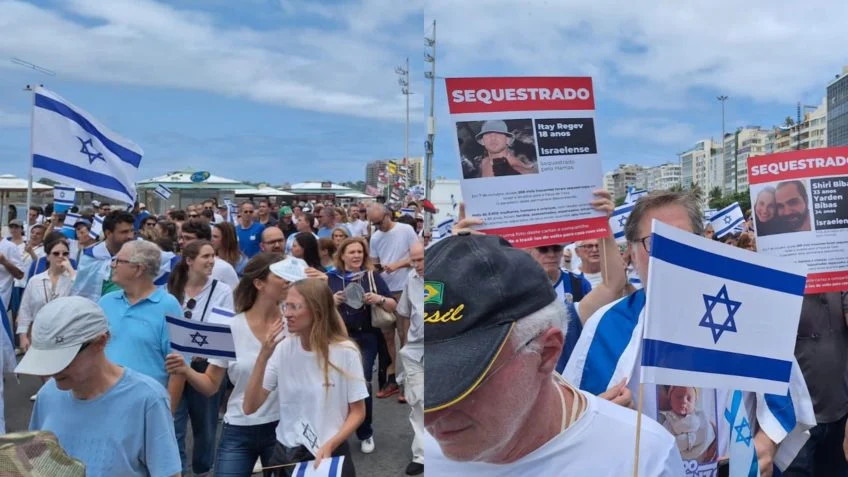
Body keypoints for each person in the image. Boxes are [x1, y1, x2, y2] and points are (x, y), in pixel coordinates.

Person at [562, 191, 816, 477]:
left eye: (682, 240)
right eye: (655, 242)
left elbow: (781, 396)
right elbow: (571, 422)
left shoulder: (748, 308)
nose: (671, 253)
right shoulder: (606, 326)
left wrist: (766, 444)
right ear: (631, 253)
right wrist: (599, 414)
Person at [422, 233, 683, 475]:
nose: (429, 414)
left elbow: (612, 284)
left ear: (546, 353)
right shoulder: (427, 450)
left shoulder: (644, 458)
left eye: (466, 378)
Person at [18, 297, 182, 476]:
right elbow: (35, 464)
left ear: (100, 342)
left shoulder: (148, 400)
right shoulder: (47, 395)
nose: (53, 369)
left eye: (64, 358)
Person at [167, 253, 285, 476]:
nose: (289, 280)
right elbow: (211, 385)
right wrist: (185, 370)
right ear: (259, 283)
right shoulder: (231, 326)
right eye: (282, 275)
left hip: (284, 428)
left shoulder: (295, 323)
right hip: (239, 428)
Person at [243, 276, 368, 477]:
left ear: (317, 309)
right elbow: (250, 406)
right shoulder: (283, 348)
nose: (287, 314)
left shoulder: (345, 352)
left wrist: (331, 444)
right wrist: (263, 357)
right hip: (284, 454)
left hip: (327, 455)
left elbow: (358, 412)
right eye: (285, 306)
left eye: (295, 307)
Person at [167, 239, 235, 476]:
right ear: (189, 261)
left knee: (205, 429)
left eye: (213, 255)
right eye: (205, 256)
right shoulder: (171, 287)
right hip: (174, 366)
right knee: (173, 422)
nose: (211, 261)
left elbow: (224, 333)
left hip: (204, 368)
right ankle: (178, 470)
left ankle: (202, 470)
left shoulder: (222, 290)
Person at [328, 237, 397, 455]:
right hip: (339, 339)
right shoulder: (331, 278)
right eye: (352, 252)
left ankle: (365, 432)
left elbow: (393, 304)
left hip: (367, 337)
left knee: (362, 384)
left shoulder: (371, 276)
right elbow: (318, 308)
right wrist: (332, 301)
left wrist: (378, 299)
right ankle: (336, 431)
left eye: (360, 252)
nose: (357, 255)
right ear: (342, 255)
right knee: (336, 385)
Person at [97, 240, 185, 410]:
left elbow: (178, 369)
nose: (112, 265)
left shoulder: (170, 306)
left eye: (118, 261)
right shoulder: (105, 302)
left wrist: (168, 414)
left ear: (138, 269)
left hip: (146, 407)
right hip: (102, 402)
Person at [368, 203, 420, 399]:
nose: (377, 226)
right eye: (374, 224)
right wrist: (376, 271)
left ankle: (408, 381)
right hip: (385, 291)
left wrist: (397, 264)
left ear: (388, 215)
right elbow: (373, 263)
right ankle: (392, 379)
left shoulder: (406, 230)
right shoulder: (375, 237)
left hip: (405, 289)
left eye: (379, 222)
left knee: (405, 336)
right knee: (388, 338)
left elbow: (417, 257)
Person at [396, 241, 424, 475]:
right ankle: (422, 455)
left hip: (443, 350)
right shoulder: (411, 279)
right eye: (413, 260)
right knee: (418, 402)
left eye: (421, 259)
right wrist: (404, 341)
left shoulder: (447, 278)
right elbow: (404, 313)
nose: (417, 265)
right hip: (415, 352)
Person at [71, 211, 136, 302]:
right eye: (124, 232)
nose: (130, 236)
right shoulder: (91, 258)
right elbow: (81, 293)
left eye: (132, 231)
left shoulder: (139, 256)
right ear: (108, 233)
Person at [658, 386, 716, 462]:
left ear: (695, 402)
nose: (684, 401)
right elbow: (667, 444)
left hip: (700, 460)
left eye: (689, 398)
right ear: (670, 401)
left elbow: (709, 434)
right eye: (679, 397)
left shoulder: (701, 418)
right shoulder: (667, 420)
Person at [180, 219, 240, 290]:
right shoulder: (178, 264)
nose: (181, 242)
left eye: (188, 238)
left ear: (202, 240)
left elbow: (237, 298)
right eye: (181, 237)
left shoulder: (223, 268)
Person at [467, 119, 538, 178]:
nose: (493, 138)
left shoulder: (518, 170)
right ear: (482, 141)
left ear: (508, 140)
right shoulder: (484, 162)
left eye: (498, 133)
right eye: (488, 134)